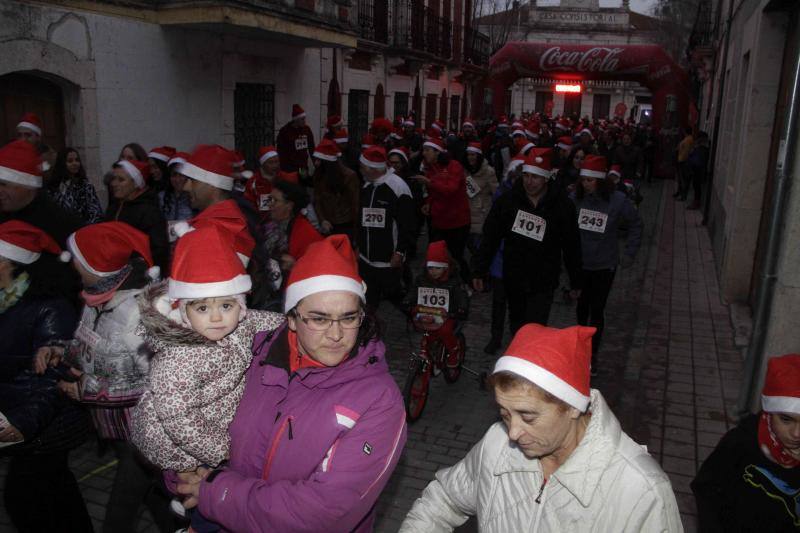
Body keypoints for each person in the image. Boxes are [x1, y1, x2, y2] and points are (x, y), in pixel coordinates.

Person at [171, 235, 407, 532]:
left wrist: (216, 492)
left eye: (349, 318)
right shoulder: (249, 357)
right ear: (292, 318)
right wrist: (183, 474)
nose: (336, 335)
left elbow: (326, 512)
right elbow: (188, 421)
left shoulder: (378, 399)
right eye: (319, 319)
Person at [400, 323, 683, 532]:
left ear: (573, 406)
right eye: (504, 413)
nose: (512, 433)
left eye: (528, 416)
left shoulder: (642, 492)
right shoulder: (496, 443)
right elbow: (445, 498)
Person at [131, 223, 285, 532]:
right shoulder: (178, 358)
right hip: (178, 442)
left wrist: (292, 324)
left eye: (226, 305)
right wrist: (225, 450)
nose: (216, 317)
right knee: (201, 493)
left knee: (207, 498)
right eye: (203, 307)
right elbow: (178, 417)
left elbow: (262, 320)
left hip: (211, 423)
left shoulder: (237, 324)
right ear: (185, 312)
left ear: (239, 308)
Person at [34, 222, 177, 533]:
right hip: (116, 430)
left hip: (141, 433)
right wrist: (61, 350)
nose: (70, 263)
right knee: (158, 499)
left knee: (119, 515)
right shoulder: (95, 301)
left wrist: (87, 390)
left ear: (96, 266)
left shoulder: (137, 312)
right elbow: (90, 347)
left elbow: (155, 382)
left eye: (76, 257)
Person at [0, 221, 93, 533]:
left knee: (24, 499)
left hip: (45, 426)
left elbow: (53, 377)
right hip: (21, 414)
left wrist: (23, 422)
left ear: (6, 262)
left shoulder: (49, 309)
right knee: (56, 494)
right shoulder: (5, 299)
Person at [472, 148, 582, 334]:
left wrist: (576, 281)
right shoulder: (508, 201)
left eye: (535, 177)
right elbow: (491, 236)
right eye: (526, 176)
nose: (529, 182)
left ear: (546, 178)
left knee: (536, 329)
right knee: (517, 325)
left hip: (544, 279)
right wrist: (479, 270)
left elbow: (571, 245)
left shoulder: (562, 206)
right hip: (515, 276)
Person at [693, 353, 800, 532]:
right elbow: (706, 491)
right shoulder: (741, 444)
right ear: (769, 413)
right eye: (786, 420)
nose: (796, 434)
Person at [571, 155, 642, 373]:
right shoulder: (576, 198)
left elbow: (636, 224)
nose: (586, 184)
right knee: (582, 309)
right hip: (580, 264)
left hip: (604, 265)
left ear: (601, 181)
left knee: (597, 310)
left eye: (590, 181)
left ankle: (592, 355)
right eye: (583, 180)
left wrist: (629, 253)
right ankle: (580, 348)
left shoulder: (618, 200)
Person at [0, 140, 83, 305]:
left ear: (28, 184)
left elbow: (68, 283)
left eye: (4, 184)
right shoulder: (5, 214)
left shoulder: (60, 223)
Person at [357, 146, 416, 310]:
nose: (360, 170)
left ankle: (414, 316)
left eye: (362, 167)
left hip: (388, 261)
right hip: (366, 259)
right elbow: (361, 219)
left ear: (372, 168)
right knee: (368, 299)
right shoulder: (367, 186)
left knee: (394, 295)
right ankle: (368, 330)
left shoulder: (398, 187)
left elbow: (408, 225)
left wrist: (400, 252)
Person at [413, 138, 471, 281]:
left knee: (455, 256)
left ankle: (465, 281)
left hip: (457, 221)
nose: (424, 153)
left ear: (437, 152)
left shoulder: (454, 166)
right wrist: (428, 203)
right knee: (436, 254)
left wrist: (429, 182)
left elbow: (450, 189)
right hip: (438, 221)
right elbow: (433, 193)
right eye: (424, 150)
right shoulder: (430, 168)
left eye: (427, 150)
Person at [402, 240, 469, 365]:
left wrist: (461, 308)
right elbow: (413, 292)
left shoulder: (454, 281)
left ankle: (454, 350)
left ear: (446, 267)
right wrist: (407, 301)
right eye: (430, 268)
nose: (433, 271)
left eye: (438, 268)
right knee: (426, 333)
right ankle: (428, 353)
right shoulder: (421, 279)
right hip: (427, 313)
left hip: (448, 314)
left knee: (445, 331)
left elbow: (461, 296)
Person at [106, 158, 170, 272]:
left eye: (121, 180)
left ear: (136, 183)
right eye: (113, 179)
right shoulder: (113, 208)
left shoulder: (149, 212)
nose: (113, 183)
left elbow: (158, 251)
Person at [267, 179, 323, 273]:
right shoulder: (267, 223)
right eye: (269, 199)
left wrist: (296, 267)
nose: (269, 204)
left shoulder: (307, 234)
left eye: (274, 200)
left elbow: (317, 267)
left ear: (289, 205)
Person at [312, 139, 360, 241]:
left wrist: (357, 233)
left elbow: (355, 204)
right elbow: (317, 200)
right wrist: (322, 220)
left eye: (319, 160)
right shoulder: (319, 175)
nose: (316, 163)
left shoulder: (349, 176)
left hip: (346, 225)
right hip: (328, 225)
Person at [48, 147, 104, 224]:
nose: (75, 163)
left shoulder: (85, 186)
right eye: (70, 161)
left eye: (77, 160)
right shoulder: (54, 187)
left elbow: (95, 212)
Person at [462, 142, 498, 254]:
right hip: (466, 213)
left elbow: (496, 193)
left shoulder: (489, 171)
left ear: (478, 156)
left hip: (481, 214)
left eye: (473, 155)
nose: (470, 157)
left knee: (479, 249)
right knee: (469, 245)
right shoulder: (465, 171)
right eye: (468, 154)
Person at [276, 104, 315, 176]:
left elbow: (311, 147)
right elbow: (280, 151)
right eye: (302, 119)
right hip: (289, 168)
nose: (304, 121)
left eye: (304, 118)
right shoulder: (285, 131)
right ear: (296, 119)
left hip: (303, 167)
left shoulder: (306, 130)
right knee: (292, 185)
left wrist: (315, 163)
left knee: (303, 183)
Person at [159, 151, 194, 225]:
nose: (177, 179)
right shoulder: (161, 197)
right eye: (174, 175)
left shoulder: (195, 199)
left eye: (181, 175)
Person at [687, 131, 710, 210]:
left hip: (698, 171)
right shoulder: (701, 148)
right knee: (696, 186)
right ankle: (695, 202)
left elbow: (698, 161)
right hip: (696, 170)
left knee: (697, 187)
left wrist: (691, 154)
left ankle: (696, 203)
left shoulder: (702, 149)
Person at [674, 127, 694, 200]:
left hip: (683, 161)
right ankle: (680, 192)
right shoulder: (688, 139)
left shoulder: (688, 139)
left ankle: (683, 196)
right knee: (681, 179)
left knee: (683, 179)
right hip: (682, 160)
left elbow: (686, 151)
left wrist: (683, 159)